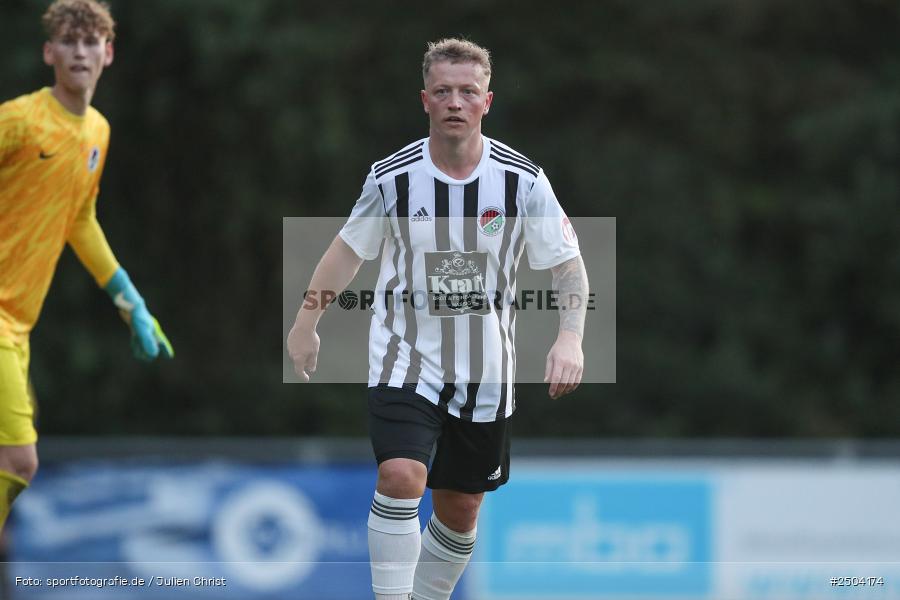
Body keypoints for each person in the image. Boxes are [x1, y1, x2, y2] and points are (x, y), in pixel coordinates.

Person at [287, 38, 588, 600]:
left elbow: (570, 267)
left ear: (487, 102)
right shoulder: (391, 178)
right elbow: (348, 251)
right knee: (401, 477)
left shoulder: (522, 181)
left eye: (467, 92)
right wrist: (307, 322)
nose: (455, 102)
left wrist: (570, 336)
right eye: (444, 91)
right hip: (405, 359)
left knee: (460, 509)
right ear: (424, 99)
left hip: (486, 371)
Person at [0, 0, 173, 531]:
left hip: (19, 325)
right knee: (18, 459)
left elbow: (80, 219)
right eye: (69, 41)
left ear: (108, 52)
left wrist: (131, 304)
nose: (80, 50)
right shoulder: (20, 120)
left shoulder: (97, 132)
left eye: (91, 40)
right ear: (49, 52)